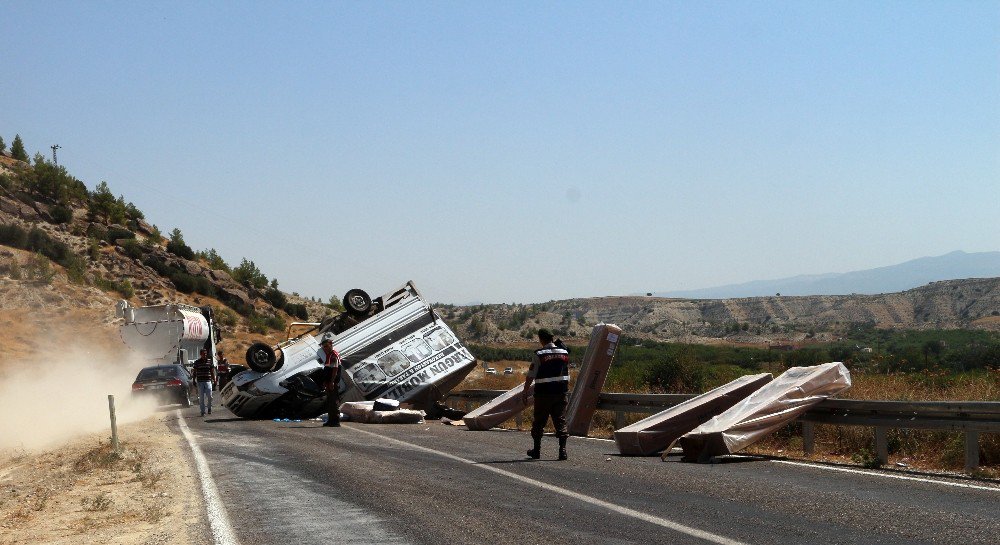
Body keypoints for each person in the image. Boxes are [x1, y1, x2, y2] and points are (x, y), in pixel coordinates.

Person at [522, 328, 570, 460]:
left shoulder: (539, 354)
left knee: (539, 422)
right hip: (561, 392)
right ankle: (563, 451)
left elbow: (531, 375)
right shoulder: (564, 352)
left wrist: (525, 391)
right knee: (560, 421)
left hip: (543, 394)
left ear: (541, 339)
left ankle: (536, 451)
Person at [318, 336, 342, 427]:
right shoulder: (329, 355)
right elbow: (328, 369)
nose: (325, 348)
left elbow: (335, 370)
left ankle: (335, 421)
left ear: (331, 345)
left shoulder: (334, 355)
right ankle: (331, 420)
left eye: (327, 346)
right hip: (328, 382)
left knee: (333, 401)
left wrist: (332, 381)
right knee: (329, 402)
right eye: (324, 347)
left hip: (333, 383)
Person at [191, 348, 216, 417]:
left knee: (210, 396)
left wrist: (214, 380)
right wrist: (193, 380)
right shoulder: (197, 362)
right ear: (200, 354)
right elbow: (194, 372)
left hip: (208, 381)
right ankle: (202, 411)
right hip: (200, 382)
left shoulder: (209, 361)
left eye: (205, 354)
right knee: (201, 397)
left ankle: (209, 408)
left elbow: (212, 372)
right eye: (203, 354)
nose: (205, 355)